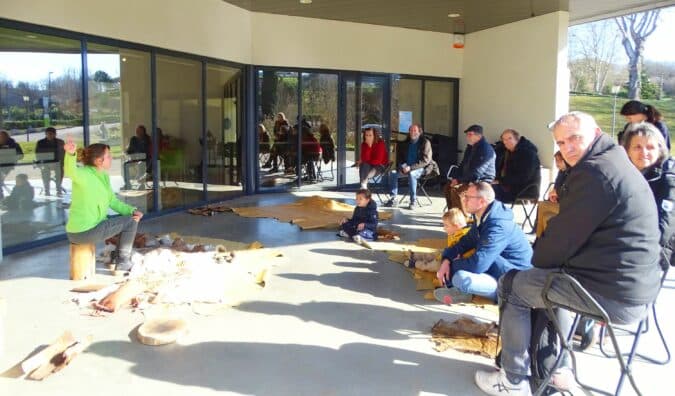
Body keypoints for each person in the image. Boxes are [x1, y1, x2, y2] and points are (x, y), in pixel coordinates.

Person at [474, 112, 662, 396]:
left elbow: (560, 240)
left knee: (513, 285)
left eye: (575, 138)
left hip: (614, 295)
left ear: (596, 133)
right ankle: (557, 368)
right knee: (549, 280)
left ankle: (512, 380)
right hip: (632, 288)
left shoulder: (596, 172)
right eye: (561, 142)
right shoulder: (614, 160)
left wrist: (535, 261)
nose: (568, 147)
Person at [435, 182, 532, 304]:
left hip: (516, 280)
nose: (463, 200)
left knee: (461, 278)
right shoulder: (483, 217)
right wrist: (446, 260)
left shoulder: (498, 226)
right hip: (498, 268)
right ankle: (463, 290)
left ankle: (505, 296)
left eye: (468, 197)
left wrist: (451, 266)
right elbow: (465, 242)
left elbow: (478, 264)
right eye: (464, 195)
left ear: (481, 202)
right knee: (458, 268)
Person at [64, 137, 144, 272]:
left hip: (93, 227)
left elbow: (112, 201)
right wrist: (70, 154)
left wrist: (132, 210)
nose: (111, 158)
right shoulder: (83, 174)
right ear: (98, 161)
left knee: (129, 218)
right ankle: (123, 261)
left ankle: (116, 255)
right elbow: (71, 171)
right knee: (130, 222)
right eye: (108, 156)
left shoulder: (104, 176)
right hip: (84, 231)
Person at [623, 122, 675, 268]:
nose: (644, 152)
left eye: (650, 147)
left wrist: (645, 254)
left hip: (657, 253)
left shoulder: (669, 177)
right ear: (627, 150)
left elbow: (666, 222)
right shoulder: (623, 173)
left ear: (660, 150)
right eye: (637, 147)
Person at [384, 124, 439, 210]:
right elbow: (400, 158)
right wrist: (404, 166)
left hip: (422, 168)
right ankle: (393, 198)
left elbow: (426, 161)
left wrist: (410, 168)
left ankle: (413, 201)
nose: (412, 132)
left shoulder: (425, 142)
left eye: (415, 130)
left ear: (419, 132)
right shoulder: (405, 143)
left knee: (412, 174)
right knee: (393, 173)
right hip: (407, 168)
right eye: (411, 130)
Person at [444, 124, 495, 214]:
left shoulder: (485, 149)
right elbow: (462, 165)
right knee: (448, 187)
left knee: (458, 190)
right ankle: (453, 215)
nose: (468, 137)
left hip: (482, 180)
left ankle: (464, 219)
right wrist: (456, 178)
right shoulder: (471, 147)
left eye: (470, 134)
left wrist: (459, 180)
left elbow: (477, 172)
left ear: (479, 136)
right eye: (467, 134)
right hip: (469, 178)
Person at [404, 208, 474, 272]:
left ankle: (416, 264)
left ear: (456, 226)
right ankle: (416, 256)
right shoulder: (455, 231)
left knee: (436, 265)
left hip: (458, 261)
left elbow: (464, 255)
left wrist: (445, 259)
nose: (444, 228)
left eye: (446, 226)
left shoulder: (465, 237)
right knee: (437, 253)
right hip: (451, 253)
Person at [492, 129, 541, 202]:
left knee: (488, 191)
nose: (506, 142)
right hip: (509, 187)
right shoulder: (507, 152)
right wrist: (497, 180)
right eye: (504, 139)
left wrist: (501, 181)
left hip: (524, 190)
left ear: (516, 139)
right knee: (484, 188)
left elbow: (523, 177)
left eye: (509, 138)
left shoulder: (528, 153)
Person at [35, 127, 65, 196]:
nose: (50, 135)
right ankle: (47, 190)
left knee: (60, 171)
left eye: (52, 134)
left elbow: (63, 153)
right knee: (45, 171)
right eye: (48, 134)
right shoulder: (40, 143)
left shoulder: (60, 142)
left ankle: (58, 188)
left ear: (55, 134)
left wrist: (61, 163)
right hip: (45, 163)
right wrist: (43, 163)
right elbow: (38, 154)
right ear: (45, 134)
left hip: (57, 162)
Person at [124, 125, 152, 189]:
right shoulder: (133, 139)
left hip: (145, 159)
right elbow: (129, 150)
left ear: (143, 132)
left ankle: (141, 184)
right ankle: (127, 184)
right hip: (135, 158)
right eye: (137, 131)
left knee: (141, 163)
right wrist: (128, 153)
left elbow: (147, 151)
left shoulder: (148, 139)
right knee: (125, 164)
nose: (137, 132)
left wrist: (139, 155)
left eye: (139, 131)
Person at [0, 130, 24, 198]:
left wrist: (12, 157)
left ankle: (1, 197)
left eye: (2, 137)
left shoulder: (14, 144)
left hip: (7, 166)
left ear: (6, 137)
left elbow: (21, 155)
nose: (1, 138)